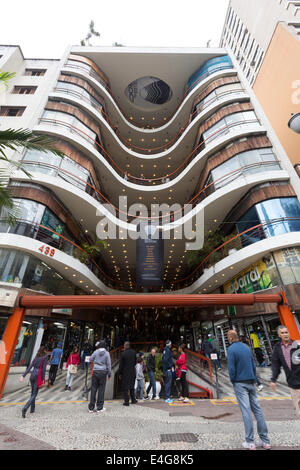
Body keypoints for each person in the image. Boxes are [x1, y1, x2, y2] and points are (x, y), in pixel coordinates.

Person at [227, 330, 271, 450]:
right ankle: (265, 440)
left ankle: (250, 441)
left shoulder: (231, 349)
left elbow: (231, 368)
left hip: (240, 383)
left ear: (230, 338)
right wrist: (256, 380)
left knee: (246, 411)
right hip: (251, 381)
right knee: (257, 410)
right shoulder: (246, 348)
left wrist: (233, 380)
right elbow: (253, 365)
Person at [270, 325, 300, 418]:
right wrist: (273, 379)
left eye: (286, 332)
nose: (285, 334)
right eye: (282, 333)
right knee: (299, 412)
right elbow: (275, 365)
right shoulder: (278, 348)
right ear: (279, 335)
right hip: (293, 384)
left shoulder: (297, 345)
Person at [19, 346, 48, 418]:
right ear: (44, 351)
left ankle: (32, 409)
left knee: (33, 393)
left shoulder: (36, 357)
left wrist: (23, 376)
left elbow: (30, 367)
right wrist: (43, 379)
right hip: (38, 376)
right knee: (34, 394)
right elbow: (44, 369)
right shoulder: (45, 357)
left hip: (32, 376)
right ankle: (25, 408)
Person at [88, 340, 111, 413]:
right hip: (103, 372)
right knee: (101, 390)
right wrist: (109, 373)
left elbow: (90, 359)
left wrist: (95, 360)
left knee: (93, 389)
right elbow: (109, 364)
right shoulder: (107, 353)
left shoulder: (96, 352)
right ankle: (99, 407)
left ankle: (91, 407)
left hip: (95, 371)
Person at [119, 341, 137, 406]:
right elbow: (135, 362)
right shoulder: (134, 352)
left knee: (125, 387)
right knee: (132, 386)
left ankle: (126, 401)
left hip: (125, 373)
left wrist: (120, 373)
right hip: (132, 371)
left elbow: (121, 365)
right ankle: (133, 399)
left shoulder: (123, 354)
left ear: (125, 346)